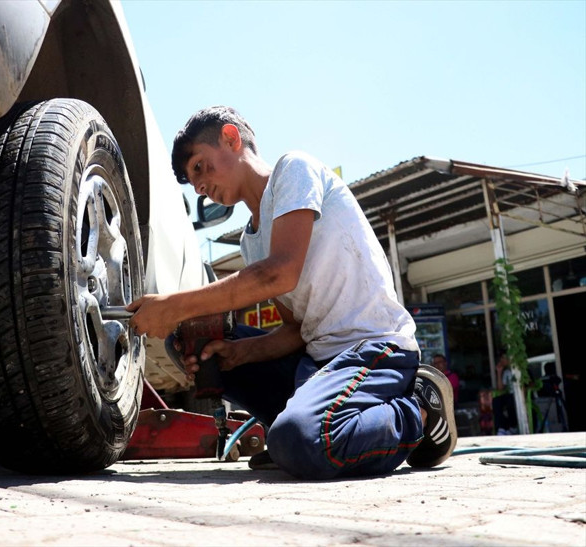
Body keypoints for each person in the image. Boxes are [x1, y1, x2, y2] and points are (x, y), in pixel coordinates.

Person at [127, 106, 457, 479]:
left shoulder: (293, 170)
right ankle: (292, 428)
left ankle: (418, 408)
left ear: (231, 138)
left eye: (200, 167)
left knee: (303, 440)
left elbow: (279, 273)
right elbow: (298, 330)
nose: (200, 186)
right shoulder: (253, 240)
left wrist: (175, 304)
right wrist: (238, 352)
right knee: (192, 340)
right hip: (319, 360)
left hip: (373, 348)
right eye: (193, 182)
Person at [492, 354, 517, 435]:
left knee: (510, 400)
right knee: (496, 401)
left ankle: (513, 426)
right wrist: (499, 372)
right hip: (509, 395)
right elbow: (500, 388)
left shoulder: (518, 369)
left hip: (516, 396)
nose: (501, 360)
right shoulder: (506, 372)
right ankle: (502, 427)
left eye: (503, 358)